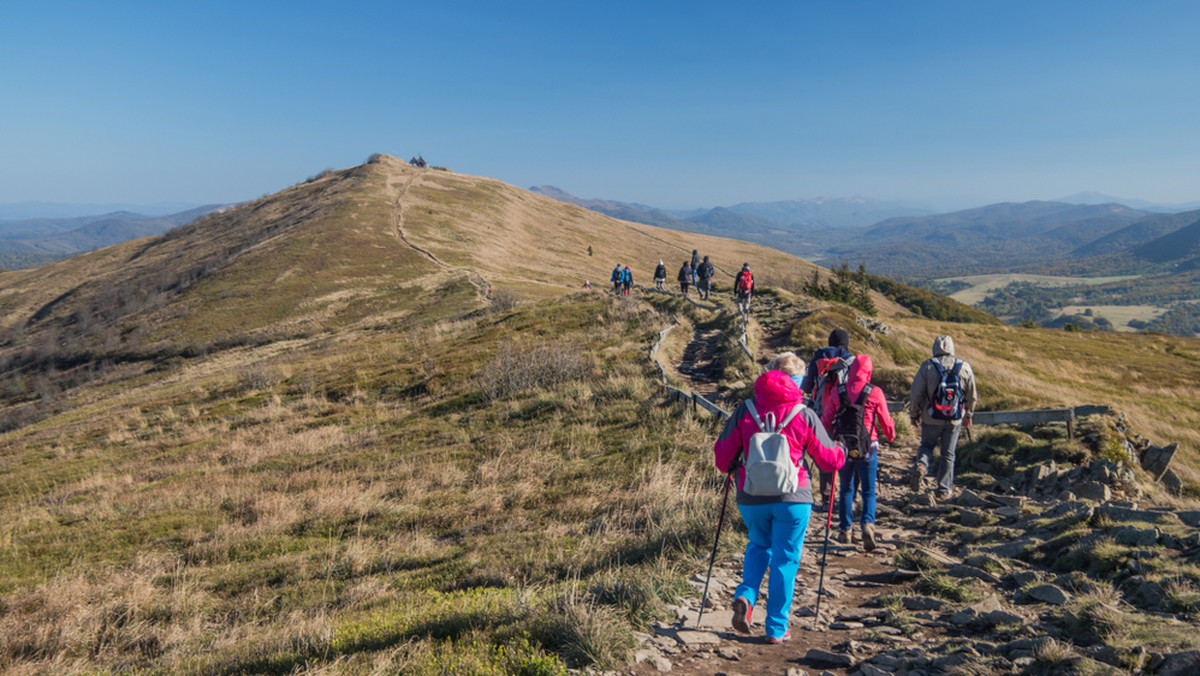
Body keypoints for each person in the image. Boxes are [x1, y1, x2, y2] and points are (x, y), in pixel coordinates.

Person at [714, 371, 846, 644]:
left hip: (751, 495)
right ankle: (776, 627)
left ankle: (746, 596)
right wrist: (842, 451)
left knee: (758, 545)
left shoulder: (745, 411)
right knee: (785, 560)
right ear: (792, 386)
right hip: (793, 497)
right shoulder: (804, 413)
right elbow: (830, 460)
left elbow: (722, 458)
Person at [820, 354, 896, 552]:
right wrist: (891, 435)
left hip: (844, 446)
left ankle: (845, 530)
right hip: (868, 447)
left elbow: (826, 419)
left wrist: (823, 439)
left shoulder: (839, 391)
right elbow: (886, 420)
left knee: (846, 488)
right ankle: (867, 525)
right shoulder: (875, 392)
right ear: (868, 371)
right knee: (869, 490)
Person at [908, 335, 977, 501]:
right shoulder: (964, 367)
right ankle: (944, 490)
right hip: (954, 419)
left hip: (931, 417)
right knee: (948, 454)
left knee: (926, 446)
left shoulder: (927, 366)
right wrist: (968, 414)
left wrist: (914, 414)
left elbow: (916, 394)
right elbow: (971, 394)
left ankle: (921, 466)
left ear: (934, 349)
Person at [801, 328, 853, 504]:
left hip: (821, 413)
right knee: (846, 450)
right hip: (845, 412)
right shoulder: (851, 360)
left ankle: (826, 495)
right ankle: (847, 494)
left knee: (825, 451)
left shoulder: (819, 358)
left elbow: (807, 387)